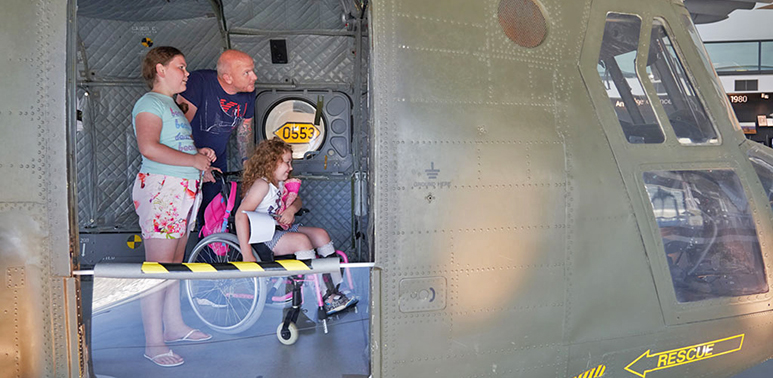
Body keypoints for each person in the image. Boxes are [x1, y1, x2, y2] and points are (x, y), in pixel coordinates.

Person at [132, 46, 214, 368]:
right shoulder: (150, 103)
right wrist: (193, 159)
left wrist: (199, 158)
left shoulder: (173, 107)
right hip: (162, 189)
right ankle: (153, 343)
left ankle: (175, 325)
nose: (187, 73)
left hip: (181, 188)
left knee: (175, 263)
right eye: (181, 67)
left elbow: (174, 147)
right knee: (159, 267)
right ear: (160, 69)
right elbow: (149, 147)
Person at [235, 139, 357, 315]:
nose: (290, 167)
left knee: (321, 234)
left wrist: (291, 210)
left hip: (280, 228)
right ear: (271, 162)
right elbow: (241, 215)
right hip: (263, 236)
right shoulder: (262, 185)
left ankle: (337, 288)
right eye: (287, 162)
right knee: (302, 241)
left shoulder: (279, 182)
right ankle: (325, 296)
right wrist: (247, 254)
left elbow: (297, 199)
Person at [177, 49, 258, 225]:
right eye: (247, 73)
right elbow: (180, 128)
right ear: (228, 78)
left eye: (253, 70)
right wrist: (198, 162)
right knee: (181, 220)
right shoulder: (199, 82)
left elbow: (245, 130)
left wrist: (248, 162)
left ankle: (209, 252)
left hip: (217, 159)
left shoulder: (248, 92)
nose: (255, 77)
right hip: (185, 158)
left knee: (212, 217)